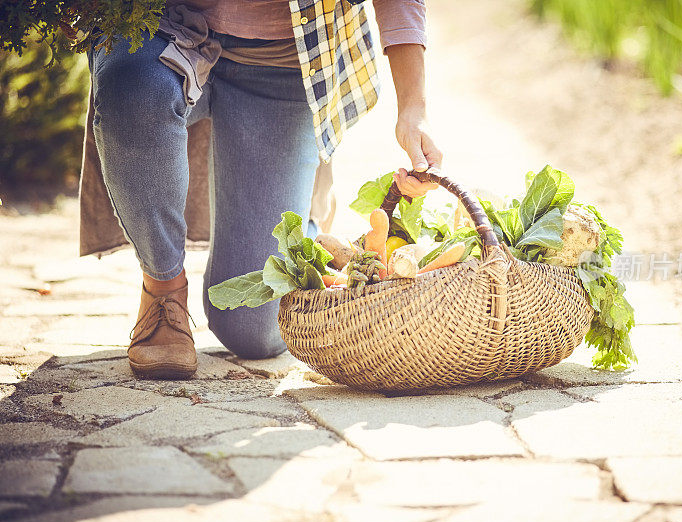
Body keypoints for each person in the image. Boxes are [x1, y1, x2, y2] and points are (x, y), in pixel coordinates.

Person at [81, 0, 441, 379]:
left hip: (282, 55)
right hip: (162, 26)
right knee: (134, 93)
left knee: (256, 330)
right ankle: (163, 290)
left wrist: (413, 109)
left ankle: (310, 216)